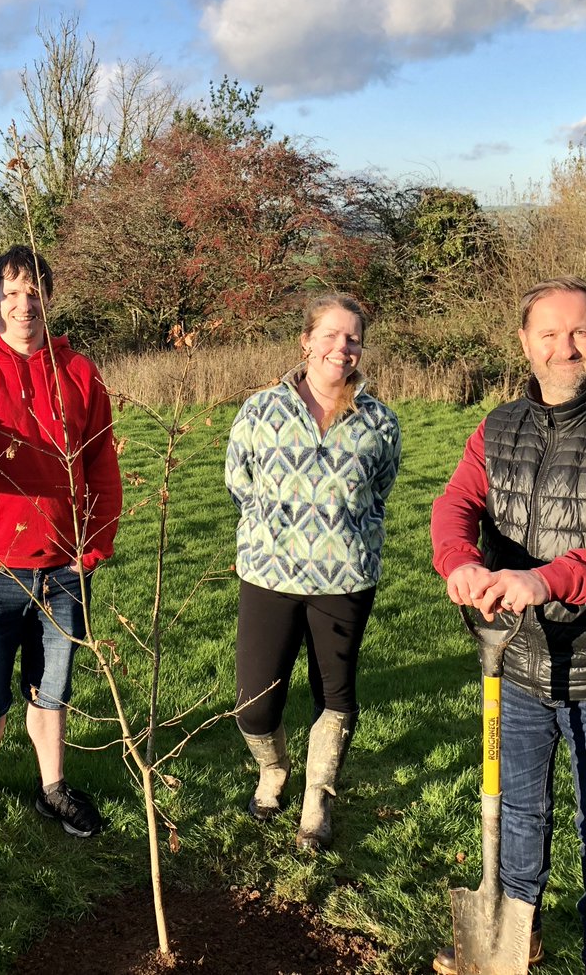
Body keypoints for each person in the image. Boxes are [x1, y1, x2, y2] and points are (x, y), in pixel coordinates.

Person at [429, 276, 586, 975]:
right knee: (516, 811)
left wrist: (544, 579)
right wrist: (458, 562)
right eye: (548, 332)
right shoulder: (498, 426)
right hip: (515, 660)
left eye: (580, 332)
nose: (564, 347)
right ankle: (515, 938)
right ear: (524, 342)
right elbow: (455, 503)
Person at [0, 245, 122, 845]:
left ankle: (52, 787)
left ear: (49, 300)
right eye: (11, 293)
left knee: (53, 684)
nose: (23, 305)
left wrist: (92, 545)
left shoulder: (80, 374)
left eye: (34, 293)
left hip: (64, 565)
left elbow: (101, 463)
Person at [225, 293, 401, 851]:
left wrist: (340, 535)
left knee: (335, 692)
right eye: (329, 335)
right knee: (255, 702)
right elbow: (239, 482)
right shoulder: (259, 411)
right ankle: (272, 772)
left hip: (345, 580)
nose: (340, 348)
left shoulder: (379, 422)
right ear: (306, 341)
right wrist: (271, 534)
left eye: (351, 338)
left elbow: (379, 492)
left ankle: (316, 803)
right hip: (269, 575)